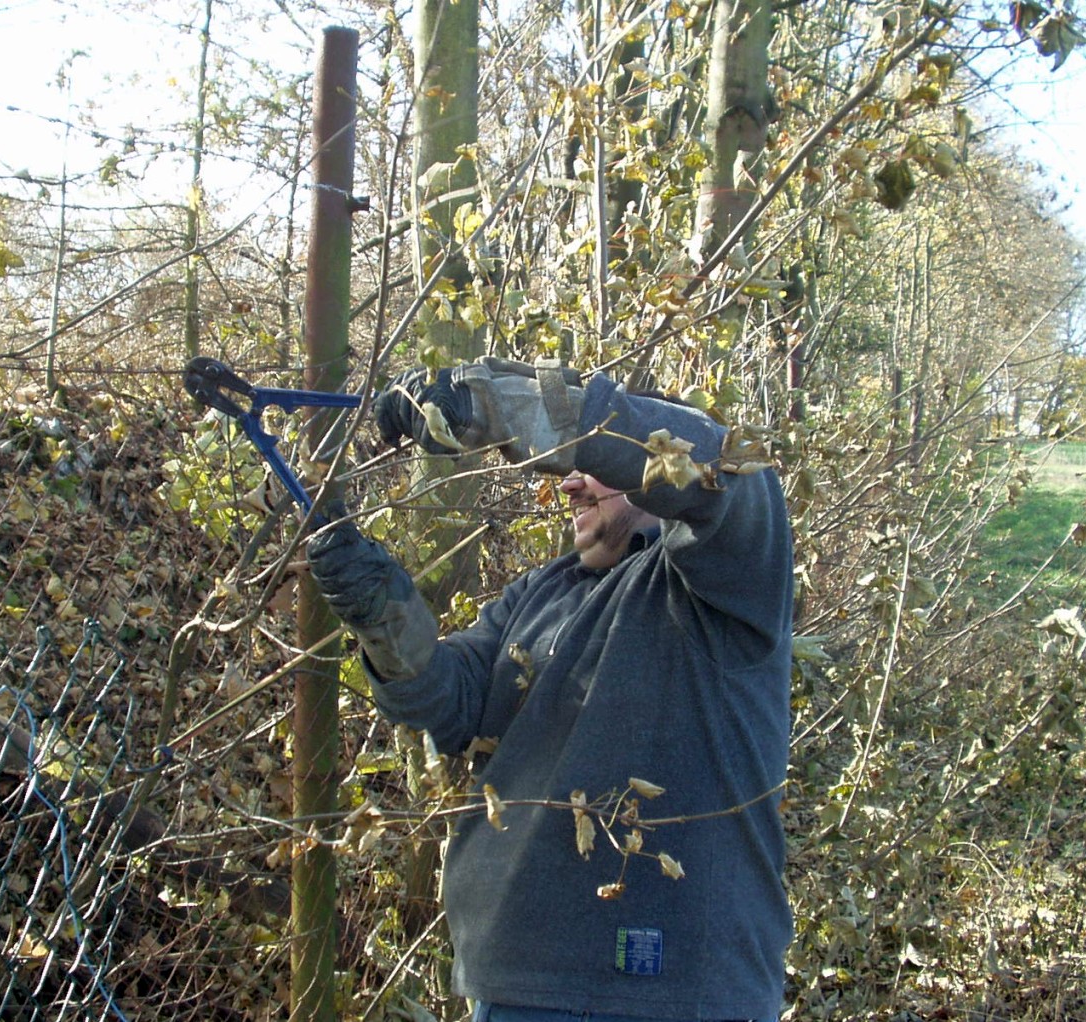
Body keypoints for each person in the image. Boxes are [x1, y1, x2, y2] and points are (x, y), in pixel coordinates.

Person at [307, 358, 794, 1022]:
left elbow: (727, 473)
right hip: (516, 987)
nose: (568, 484)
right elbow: (445, 700)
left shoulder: (729, 580)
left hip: (679, 992)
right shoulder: (540, 594)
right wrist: (377, 610)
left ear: (647, 463)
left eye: (590, 465)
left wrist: (506, 407)